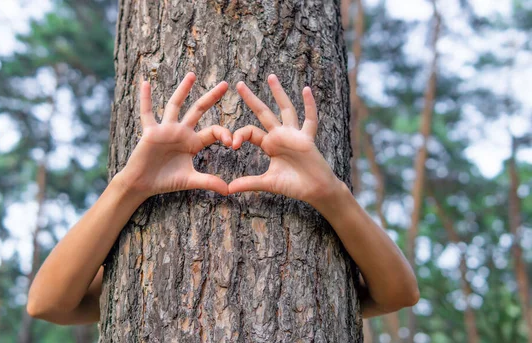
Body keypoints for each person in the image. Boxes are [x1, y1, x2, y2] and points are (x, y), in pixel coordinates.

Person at [26, 72, 419, 325]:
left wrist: (330, 195)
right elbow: (46, 303)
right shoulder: (116, 274)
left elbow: (399, 293)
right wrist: (130, 185)